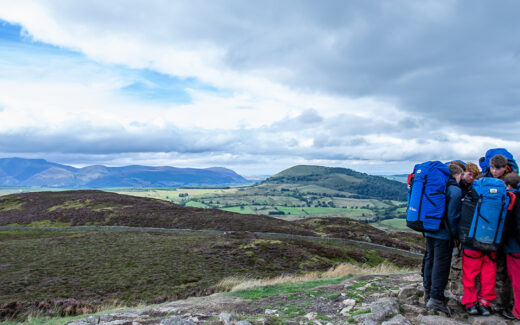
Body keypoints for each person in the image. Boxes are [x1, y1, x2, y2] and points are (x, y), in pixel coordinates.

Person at [461, 155, 510, 316]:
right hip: (493, 240)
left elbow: (466, 214)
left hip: (472, 239)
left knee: (470, 273)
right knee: (489, 273)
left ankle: (470, 303)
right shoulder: (506, 191)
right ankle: (484, 302)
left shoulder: (477, 187)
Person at [424, 163, 463, 314]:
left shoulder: (436, 186)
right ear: (456, 175)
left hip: (429, 229)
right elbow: (453, 216)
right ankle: (436, 299)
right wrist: (455, 236)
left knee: (430, 259)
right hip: (443, 234)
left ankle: (427, 290)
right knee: (441, 265)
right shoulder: (454, 190)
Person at [499, 173, 520, 320]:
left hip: (514, 247)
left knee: (517, 280)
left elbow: (514, 225)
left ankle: (517, 311)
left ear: (507, 185)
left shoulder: (512, 198)